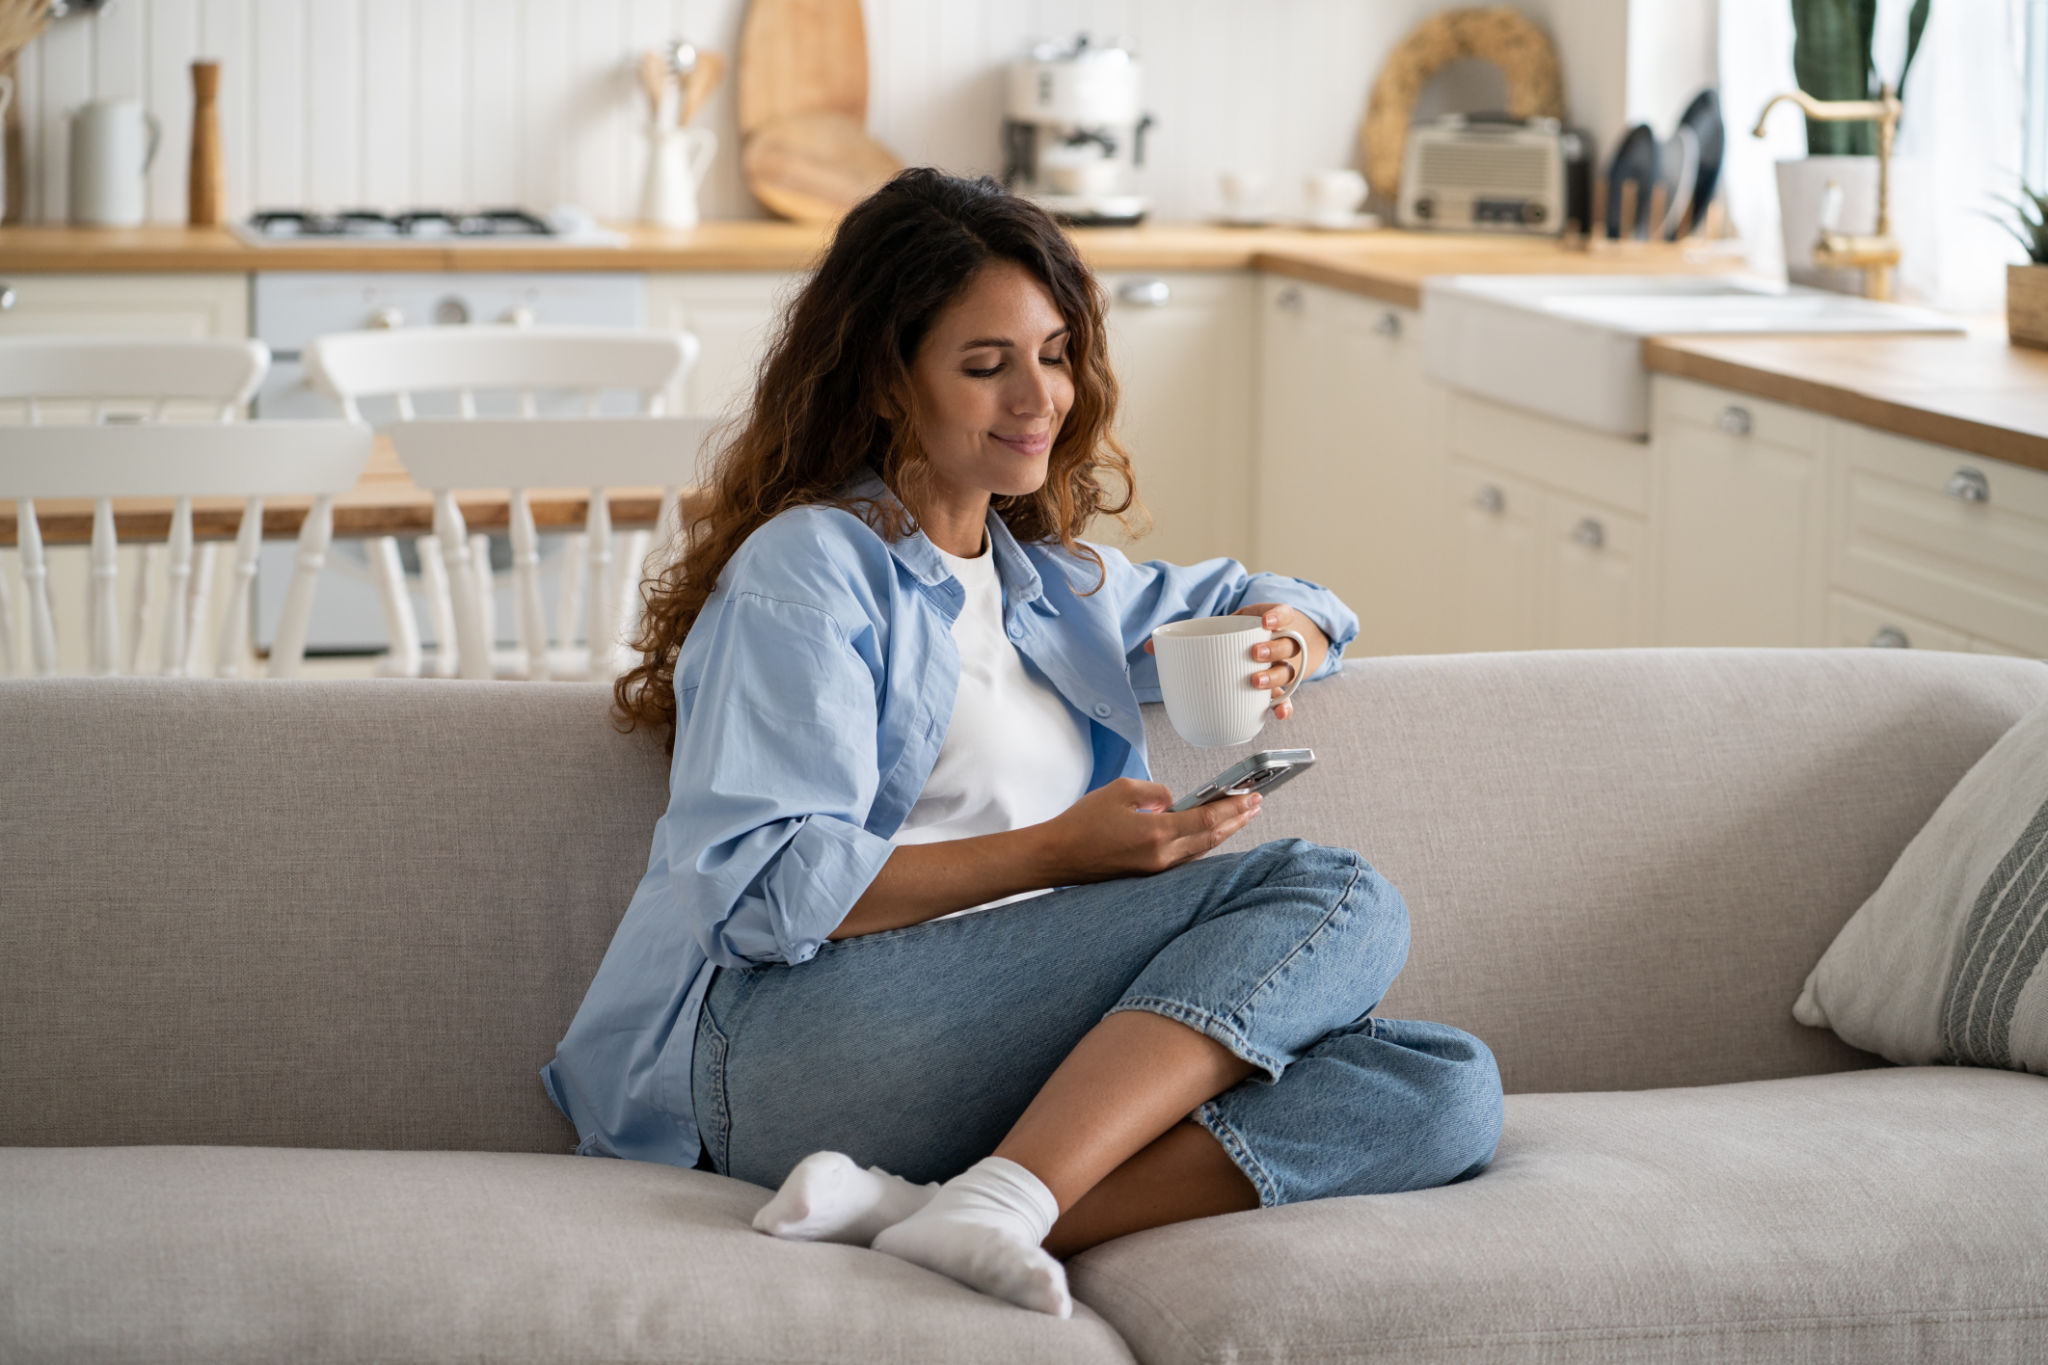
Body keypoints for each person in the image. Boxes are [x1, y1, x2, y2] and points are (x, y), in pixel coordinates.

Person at [543, 169, 1503, 1318]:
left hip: (993, 1056)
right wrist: (1057, 851)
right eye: (984, 364)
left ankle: (930, 1209)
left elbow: (1278, 592)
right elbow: (759, 897)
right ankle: (994, 1198)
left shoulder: (1053, 585)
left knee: (1441, 1090)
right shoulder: (810, 568)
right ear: (888, 381)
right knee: (1334, 896)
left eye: (1052, 355)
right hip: (787, 1044)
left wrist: (1288, 633)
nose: (1035, 396)